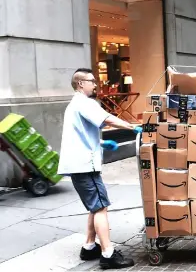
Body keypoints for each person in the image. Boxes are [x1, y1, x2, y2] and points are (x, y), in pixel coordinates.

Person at [58, 68, 142, 269]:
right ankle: (108, 254)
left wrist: (103, 144)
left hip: (80, 165)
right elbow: (108, 119)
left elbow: (80, 135)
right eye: (92, 81)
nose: (95, 84)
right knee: (101, 208)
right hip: (85, 166)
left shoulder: (74, 105)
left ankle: (89, 247)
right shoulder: (84, 103)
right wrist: (133, 127)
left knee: (95, 207)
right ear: (80, 84)